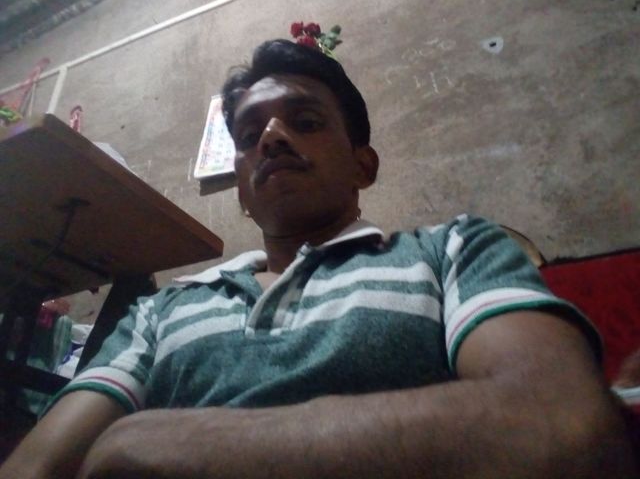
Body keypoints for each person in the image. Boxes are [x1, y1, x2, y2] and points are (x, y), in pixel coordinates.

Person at [0, 38, 636, 479]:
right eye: (249, 135)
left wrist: (185, 446)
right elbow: (36, 467)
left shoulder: (454, 251)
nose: (272, 137)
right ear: (242, 191)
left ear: (364, 164)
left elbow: (564, 428)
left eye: (305, 121)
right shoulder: (161, 311)